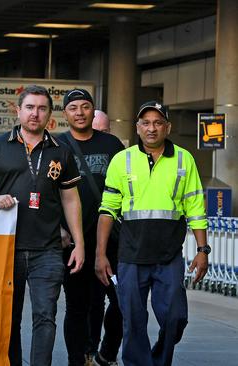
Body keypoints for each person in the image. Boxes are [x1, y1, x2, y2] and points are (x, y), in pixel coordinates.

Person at [0, 85, 85, 366]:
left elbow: (71, 199)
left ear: (50, 116)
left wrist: (79, 243)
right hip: (7, 247)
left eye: (42, 108)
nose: (35, 113)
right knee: (10, 317)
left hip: (48, 249)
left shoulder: (61, 151)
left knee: (45, 316)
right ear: (18, 111)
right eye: (30, 107)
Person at [96, 101, 209, 366]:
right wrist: (100, 254)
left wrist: (203, 250)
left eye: (158, 122)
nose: (152, 128)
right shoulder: (121, 161)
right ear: (137, 127)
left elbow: (195, 207)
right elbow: (107, 210)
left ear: (167, 127)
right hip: (131, 257)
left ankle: (157, 359)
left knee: (175, 319)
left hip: (168, 256)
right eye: (145, 123)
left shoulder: (184, 159)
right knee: (133, 321)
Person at [56, 89, 124, 366]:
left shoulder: (112, 145)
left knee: (122, 301)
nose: (80, 112)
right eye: (73, 107)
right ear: (65, 114)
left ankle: (106, 354)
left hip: (112, 241)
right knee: (77, 306)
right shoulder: (56, 145)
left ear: (93, 110)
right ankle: (78, 359)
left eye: (85, 107)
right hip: (73, 242)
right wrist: (59, 229)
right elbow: (48, 192)